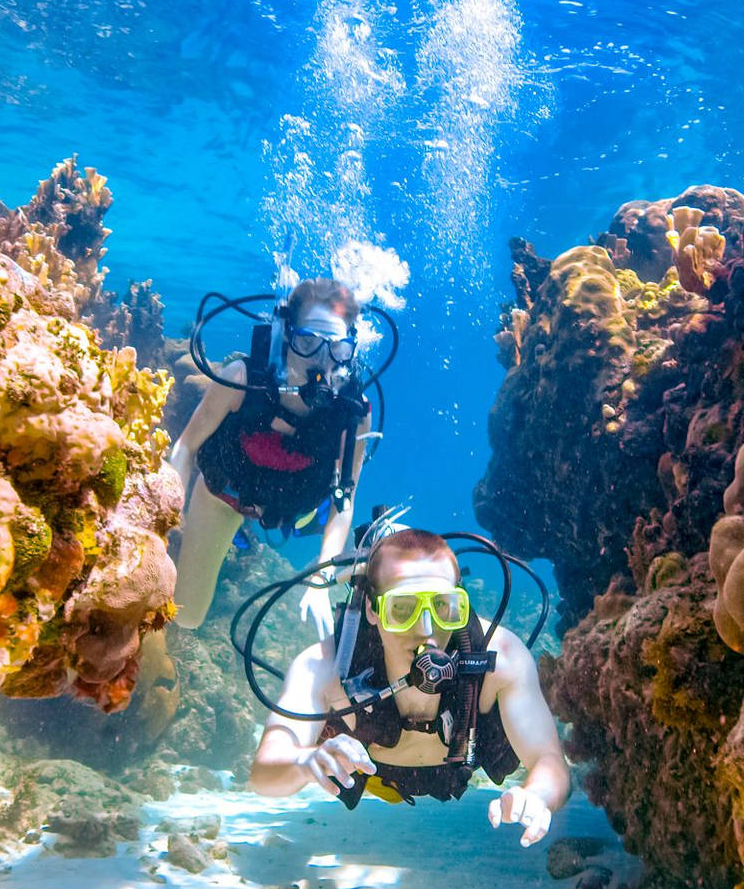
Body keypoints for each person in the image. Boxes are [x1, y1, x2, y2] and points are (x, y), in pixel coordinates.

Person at [246, 529, 570, 846]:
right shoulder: (323, 667)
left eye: (443, 606)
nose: (426, 630)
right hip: (376, 775)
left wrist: (536, 796)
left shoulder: (502, 658)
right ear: (372, 611)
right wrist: (305, 762)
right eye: (402, 609)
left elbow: (549, 760)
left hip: (455, 770)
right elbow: (263, 775)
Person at [167, 278, 370, 634]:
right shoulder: (243, 379)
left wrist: (321, 578)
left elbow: (345, 497)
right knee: (187, 616)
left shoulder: (353, 412)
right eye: (308, 342)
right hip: (223, 497)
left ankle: (259, 534)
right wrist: (164, 515)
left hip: (298, 509)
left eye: (337, 348)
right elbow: (186, 446)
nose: (322, 361)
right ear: (286, 335)